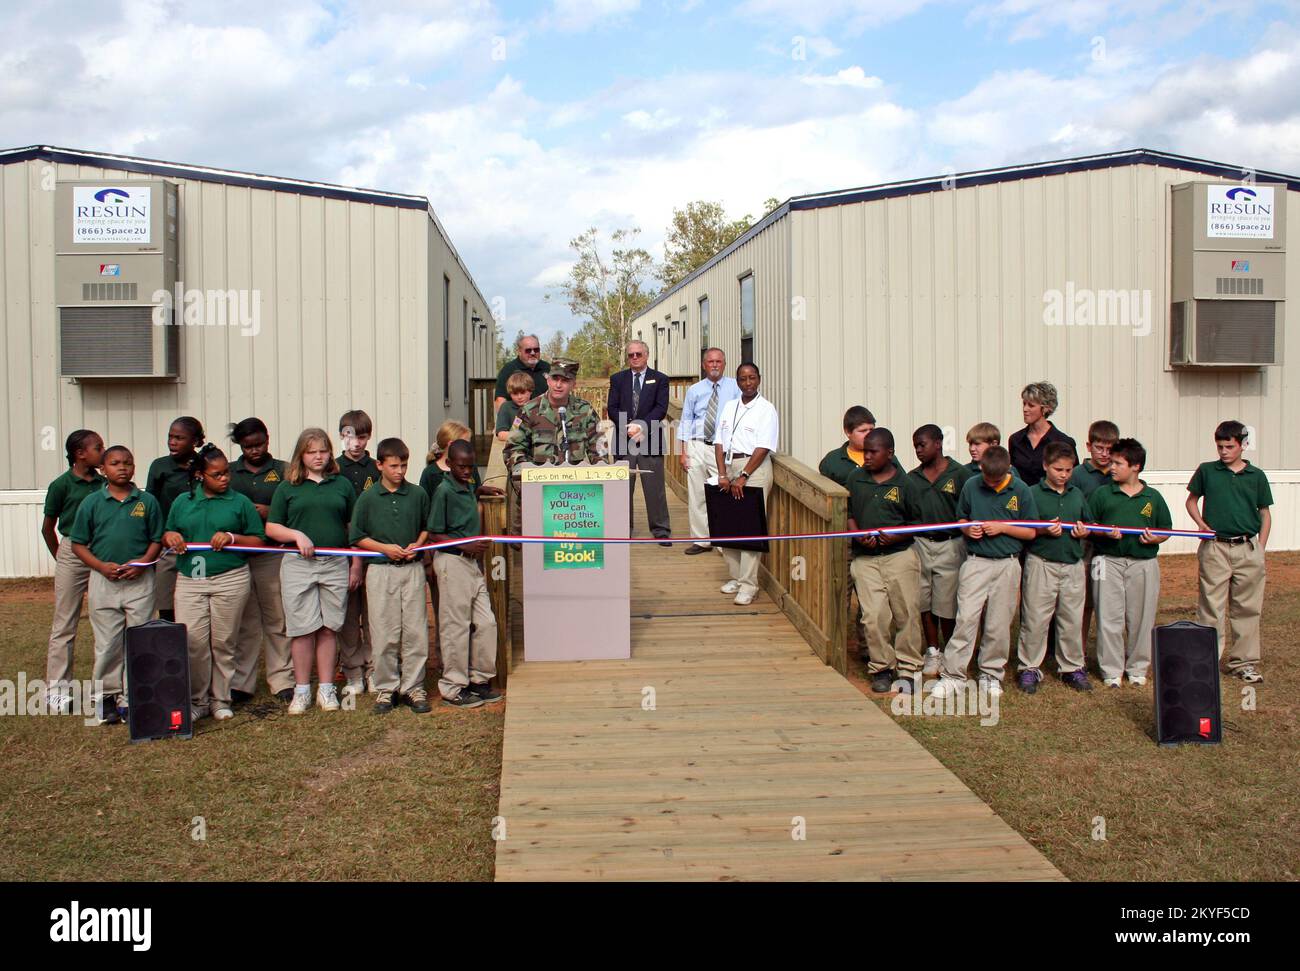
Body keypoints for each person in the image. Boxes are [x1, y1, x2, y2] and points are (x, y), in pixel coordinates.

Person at [163, 444, 264, 721]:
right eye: (217, 474)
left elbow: (258, 540)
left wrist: (232, 537)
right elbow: (168, 532)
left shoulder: (239, 502)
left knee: (224, 642)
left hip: (230, 579)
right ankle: (198, 700)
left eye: (227, 472)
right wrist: (171, 537)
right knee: (194, 642)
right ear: (199, 475)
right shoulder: (182, 502)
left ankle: (221, 699)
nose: (224, 478)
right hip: (191, 580)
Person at [266, 428, 362, 714]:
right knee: (302, 629)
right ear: (301, 455)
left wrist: (356, 564)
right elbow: (272, 527)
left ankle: (327, 689)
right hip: (299, 565)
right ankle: (302, 690)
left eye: (323, 451)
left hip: (335, 562)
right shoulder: (288, 487)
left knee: (329, 627)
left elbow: (353, 528)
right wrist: (296, 535)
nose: (318, 457)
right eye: (311, 452)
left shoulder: (341, 485)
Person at [931, 446, 1038, 699]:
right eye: (987, 478)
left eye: (997, 479)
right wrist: (968, 529)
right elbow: (961, 518)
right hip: (976, 562)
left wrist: (1003, 527)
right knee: (966, 618)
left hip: (1007, 563)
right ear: (981, 469)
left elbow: (1031, 531)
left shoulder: (1021, 490)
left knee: (998, 623)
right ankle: (953, 675)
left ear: (1007, 469)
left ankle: (991, 673)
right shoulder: (971, 485)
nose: (991, 483)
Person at [68, 445, 163, 724]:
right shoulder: (92, 503)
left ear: (134, 467)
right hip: (104, 580)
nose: (122, 467)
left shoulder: (146, 501)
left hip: (139, 580)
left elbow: (156, 539)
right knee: (107, 642)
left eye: (128, 463)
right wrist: (100, 566)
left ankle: (135, 696)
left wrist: (142, 562)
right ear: (103, 469)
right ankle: (106, 696)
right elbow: (78, 544)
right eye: (115, 463)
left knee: (140, 640)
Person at [1185, 420, 1272, 684]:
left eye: (1229, 446)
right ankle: (1206, 661)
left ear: (1243, 445)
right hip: (1215, 548)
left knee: (1247, 608)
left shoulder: (1256, 476)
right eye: (1220, 446)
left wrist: (1260, 547)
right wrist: (1201, 524)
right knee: (1210, 607)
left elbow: (1264, 513)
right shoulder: (1207, 471)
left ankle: (1244, 663)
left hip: (1247, 548)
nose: (1223, 451)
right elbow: (1191, 501)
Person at [350, 437, 432, 714]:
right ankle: (386, 688)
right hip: (381, 569)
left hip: (411, 569)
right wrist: (385, 548)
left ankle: (413, 686)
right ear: (380, 465)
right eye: (394, 466)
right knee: (384, 631)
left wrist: (417, 544)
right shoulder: (368, 498)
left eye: (404, 465)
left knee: (415, 631)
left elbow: (426, 527)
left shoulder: (418, 494)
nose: (400, 471)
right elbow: (357, 536)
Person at [847, 428, 925, 694]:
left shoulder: (906, 484)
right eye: (864, 451)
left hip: (899, 557)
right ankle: (881, 668)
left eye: (873, 452)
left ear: (889, 453)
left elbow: (917, 523)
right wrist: (858, 534)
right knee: (873, 616)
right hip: (866, 559)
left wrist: (895, 536)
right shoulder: (856, 479)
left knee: (906, 614)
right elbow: (849, 513)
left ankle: (909, 668)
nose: (867, 456)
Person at [1088, 438, 1171, 687]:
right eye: (1111, 463)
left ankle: (1137, 668)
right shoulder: (1102, 494)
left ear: (1135, 466)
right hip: (1107, 561)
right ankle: (1111, 670)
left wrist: (1156, 537)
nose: (1111, 467)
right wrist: (1104, 532)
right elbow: (1090, 526)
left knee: (1141, 617)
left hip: (1143, 563)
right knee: (1108, 617)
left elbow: (1165, 529)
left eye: (1118, 463)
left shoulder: (1153, 497)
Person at [427, 440, 500, 709]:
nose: (467, 471)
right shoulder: (443, 491)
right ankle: (453, 686)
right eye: (461, 467)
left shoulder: (468, 486)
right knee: (455, 626)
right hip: (453, 561)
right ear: (449, 464)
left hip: (472, 565)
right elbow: (434, 533)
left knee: (486, 622)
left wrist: (479, 490)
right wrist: (465, 545)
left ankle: (479, 678)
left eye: (471, 467)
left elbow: (468, 495)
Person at [1016, 442, 1094, 693]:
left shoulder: (1076, 494)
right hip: (1042, 562)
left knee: (1071, 618)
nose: (1064, 475)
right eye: (1058, 469)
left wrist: (1084, 530)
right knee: (1035, 618)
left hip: (1072, 564)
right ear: (1045, 466)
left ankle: (1071, 667)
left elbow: (1088, 523)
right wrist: (1043, 530)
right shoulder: (1032, 493)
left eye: (1068, 470)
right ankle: (1029, 667)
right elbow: (1023, 528)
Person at [229, 417, 294, 703]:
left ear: (268, 440)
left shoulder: (283, 470)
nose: (254, 450)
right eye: (248, 446)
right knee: (246, 621)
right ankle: (241, 682)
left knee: (277, 617)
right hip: (239, 554)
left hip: (272, 553)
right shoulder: (229, 472)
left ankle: (282, 679)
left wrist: (271, 512)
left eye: (259, 444)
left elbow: (295, 506)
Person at [41, 429, 104, 713]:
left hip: (101, 551)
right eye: (98, 448)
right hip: (72, 551)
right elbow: (48, 527)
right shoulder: (61, 485)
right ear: (80, 454)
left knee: (105, 621)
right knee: (65, 622)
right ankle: (56, 690)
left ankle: (104, 689)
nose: (103, 452)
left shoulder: (104, 483)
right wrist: (61, 556)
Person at [504, 359, 605, 534]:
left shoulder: (585, 411)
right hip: (537, 492)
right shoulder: (529, 410)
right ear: (548, 380)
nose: (558, 385)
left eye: (565, 380)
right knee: (530, 544)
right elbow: (513, 448)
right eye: (555, 378)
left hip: (574, 497)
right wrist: (524, 478)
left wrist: (602, 473)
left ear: (573, 384)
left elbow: (599, 449)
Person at [908, 424, 975, 677]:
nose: (918, 450)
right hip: (920, 543)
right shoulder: (912, 478)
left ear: (938, 444)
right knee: (923, 600)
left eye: (922, 445)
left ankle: (950, 652)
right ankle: (932, 651)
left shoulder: (959, 474)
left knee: (946, 603)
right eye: (915, 446)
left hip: (950, 544)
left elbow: (968, 509)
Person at [714, 363, 779, 606]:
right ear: (737, 381)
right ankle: (736, 577)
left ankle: (749, 585)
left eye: (752, 378)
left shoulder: (766, 409)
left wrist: (743, 476)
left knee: (750, 527)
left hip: (753, 469)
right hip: (729, 468)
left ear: (759, 379)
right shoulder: (730, 406)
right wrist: (722, 474)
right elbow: (719, 442)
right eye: (743, 379)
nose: (748, 383)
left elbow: (763, 447)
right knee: (728, 525)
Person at [608, 340, 671, 545]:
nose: (634, 357)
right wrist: (629, 427)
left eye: (638, 354)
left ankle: (661, 530)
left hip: (650, 439)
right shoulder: (618, 379)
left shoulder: (660, 379)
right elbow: (612, 407)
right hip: (624, 438)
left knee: (655, 489)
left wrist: (641, 426)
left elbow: (661, 408)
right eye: (631, 355)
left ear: (646, 355)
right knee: (623, 488)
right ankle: (623, 529)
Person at [679, 348, 739, 554]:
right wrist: (683, 452)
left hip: (722, 448)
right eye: (710, 362)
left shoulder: (735, 387)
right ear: (704, 365)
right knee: (697, 495)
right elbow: (686, 420)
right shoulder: (694, 390)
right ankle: (702, 540)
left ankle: (723, 542)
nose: (714, 365)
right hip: (697, 445)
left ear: (724, 364)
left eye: (718, 361)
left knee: (723, 494)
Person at [337, 409, 379, 695]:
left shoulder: (376, 468)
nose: (356, 443)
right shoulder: (333, 468)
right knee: (349, 616)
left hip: (374, 550)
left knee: (374, 613)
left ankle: (376, 669)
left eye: (361, 437)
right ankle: (352, 670)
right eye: (350, 436)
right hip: (342, 552)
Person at [147, 416, 205, 621]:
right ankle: (170, 637)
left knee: (197, 600)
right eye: (170, 437)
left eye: (179, 438)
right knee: (166, 602)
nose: (172, 442)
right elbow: (151, 506)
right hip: (168, 546)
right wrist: (159, 537)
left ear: (195, 441)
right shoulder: (159, 466)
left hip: (199, 546)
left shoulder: (205, 465)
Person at [1070, 419, 1119, 654]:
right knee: (1083, 601)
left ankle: (1107, 652)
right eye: (1099, 448)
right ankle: (1077, 652)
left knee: (1108, 603)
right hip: (1084, 544)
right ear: (1089, 446)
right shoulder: (1077, 474)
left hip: (1110, 545)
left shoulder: (1118, 472)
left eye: (1110, 449)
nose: (1104, 454)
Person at [1008, 381, 1076, 486]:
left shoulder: (1064, 442)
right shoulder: (1015, 440)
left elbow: (1072, 479)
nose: (1025, 409)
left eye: (1031, 405)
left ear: (1046, 408)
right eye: (1024, 404)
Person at [819, 406, 904, 487]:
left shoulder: (885, 456)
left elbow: (904, 486)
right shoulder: (832, 461)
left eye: (871, 429)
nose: (869, 434)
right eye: (863, 431)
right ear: (848, 432)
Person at [494, 334, 550, 411]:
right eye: (528, 350)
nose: (533, 353)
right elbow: (500, 400)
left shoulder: (547, 368)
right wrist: (505, 416)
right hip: (517, 416)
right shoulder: (508, 370)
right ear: (519, 351)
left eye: (536, 350)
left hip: (545, 414)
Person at [496, 371, 536, 442]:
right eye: (515, 393)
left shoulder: (537, 406)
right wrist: (525, 437)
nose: (519, 397)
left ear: (530, 391)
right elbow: (501, 434)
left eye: (523, 393)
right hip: (515, 446)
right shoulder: (506, 407)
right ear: (510, 394)